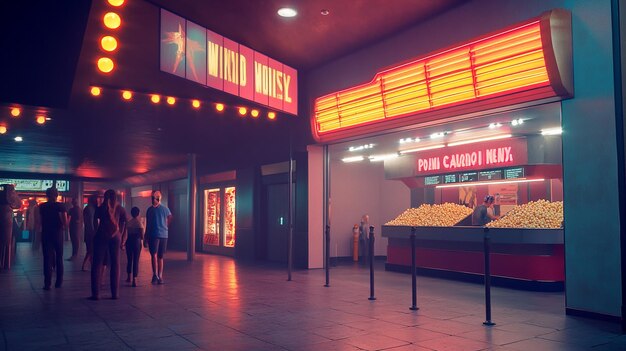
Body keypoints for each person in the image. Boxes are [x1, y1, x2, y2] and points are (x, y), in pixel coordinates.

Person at [89, 189, 126, 300]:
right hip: (115, 237)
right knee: (115, 264)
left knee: (97, 264)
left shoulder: (101, 208)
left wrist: (96, 232)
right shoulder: (120, 209)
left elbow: (95, 222)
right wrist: (120, 234)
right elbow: (124, 223)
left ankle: (96, 294)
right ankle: (115, 294)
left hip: (101, 237)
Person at [39, 187, 68, 289]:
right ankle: (59, 282)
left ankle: (47, 283)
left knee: (47, 258)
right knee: (59, 257)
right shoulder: (61, 206)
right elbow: (65, 222)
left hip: (46, 233)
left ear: (46, 195)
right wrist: (65, 224)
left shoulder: (42, 207)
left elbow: (39, 222)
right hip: (57, 234)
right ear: (57, 195)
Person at [145, 190, 172, 285]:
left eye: (154, 198)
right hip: (163, 235)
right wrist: (166, 226)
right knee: (159, 256)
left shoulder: (150, 210)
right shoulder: (165, 209)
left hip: (155, 235)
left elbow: (148, 225)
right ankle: (159, 276)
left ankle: (156, 275)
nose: (153, 199)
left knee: (155, 255)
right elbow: (170, 217)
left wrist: (145, 238)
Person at [124, 207, 144, 287]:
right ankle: (134, 279)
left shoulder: (129, 222)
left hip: (129, 241)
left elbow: (125, 233)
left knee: (129, 259)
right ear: (138, 213)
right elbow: (142, 236)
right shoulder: (139, 223)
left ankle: (129, 277)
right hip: (136, 242)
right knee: (136, 260)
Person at [81, 194, 98, 271]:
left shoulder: (87, 208)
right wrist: (94, 232)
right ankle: (84, 265)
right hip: (91, 233)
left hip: (88, 232)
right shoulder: (91, 209)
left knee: (90, 249)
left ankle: (91, 265)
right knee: (90, 250)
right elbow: (91, 222)